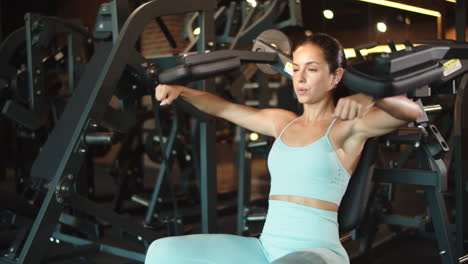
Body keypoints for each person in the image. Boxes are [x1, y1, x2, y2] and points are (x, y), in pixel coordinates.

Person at [144, 32, 423, 264]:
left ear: (335, 77)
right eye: (296, 69)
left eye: (312, 69)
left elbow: (409, 111)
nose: (300, 78)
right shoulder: (282, 122)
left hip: (318, 253)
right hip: (266, 249)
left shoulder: (346, 128)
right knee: (162, 252)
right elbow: (224, 107)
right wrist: (181, 90)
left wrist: (369, 96)